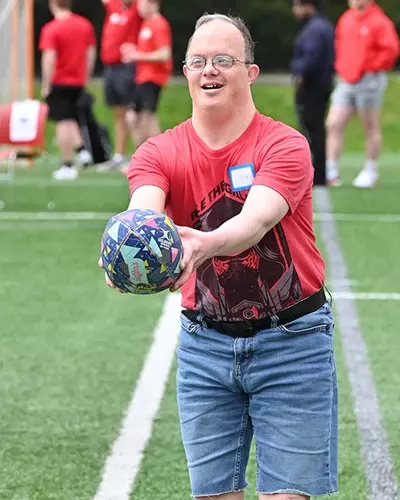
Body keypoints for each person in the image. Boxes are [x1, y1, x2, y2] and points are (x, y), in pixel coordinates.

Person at [100, 13, 337, 500]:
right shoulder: (156, 153)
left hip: (292, 341)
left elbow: (254, 222)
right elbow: (143, 209)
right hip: (204, 344)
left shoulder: (285, 144)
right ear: (184, 72)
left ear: (250, 72)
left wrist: (202, 245)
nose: (211, 69)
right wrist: (127, 250)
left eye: (225, 59)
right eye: (199, 60)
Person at [325, 0, 400, 189]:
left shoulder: (379, 21)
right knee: (333, 123)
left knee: (369, 126)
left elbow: (391, 50)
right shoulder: (346, 18)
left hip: (369, 80)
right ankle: (330, 169)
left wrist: (371, 67)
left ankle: (371, 170)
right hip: (346, 79)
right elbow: (340, 44)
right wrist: (341, 67)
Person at [38, 0, 96, 181]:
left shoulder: (52, 28)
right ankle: (82, 150)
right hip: (78, 80)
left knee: (63, 122)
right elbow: (91, 51)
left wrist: (46, 84)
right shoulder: (84, 24)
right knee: (71, 117)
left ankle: (67, 164)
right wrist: (87, 75)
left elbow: (49, 58)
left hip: (60, 80)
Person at [291, 0, 335, 187]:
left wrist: (301, 75)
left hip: (312, 87)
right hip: (322, 85)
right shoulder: (322, 26)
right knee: (316, 129)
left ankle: (315, 174)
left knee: (311, 130)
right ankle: (318, 173)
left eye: (297, 5)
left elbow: (311, 58)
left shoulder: (313, 30)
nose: (295, 10)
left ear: (307, 5)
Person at [97, 0, 141, 171]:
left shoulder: (137, 8)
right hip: (110, 66)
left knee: (132, 112)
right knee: (118, 112)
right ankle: (119, 155)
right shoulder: (114, 5)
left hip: (127, 67)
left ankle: (140, 155)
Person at [122, 0, 172, 152]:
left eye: (141, 3)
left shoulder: (159, 24)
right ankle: (146, 152)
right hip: (142, 77)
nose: (138, 7)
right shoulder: (146, 24)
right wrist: (134, 50)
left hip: (153, 77)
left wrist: (137, 55)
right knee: (132, 116)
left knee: (147, 117)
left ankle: (155, 154)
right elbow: (148, 49)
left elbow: (164, 54)